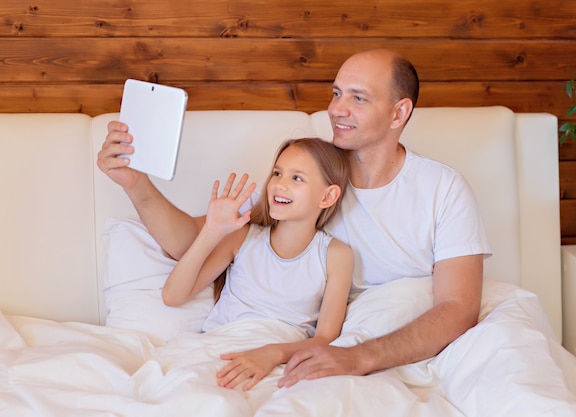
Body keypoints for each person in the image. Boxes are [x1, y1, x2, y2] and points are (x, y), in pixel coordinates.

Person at [97, 48, 490, 388]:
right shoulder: (300, 181)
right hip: (268, 344)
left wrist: (358, 356)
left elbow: (457, 308)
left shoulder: (444, 189)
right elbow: (191, 245)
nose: (336, 109)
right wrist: (135, 184)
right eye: (336, 93)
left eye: (358, 98)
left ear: (398, 112)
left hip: (375, 343)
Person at [160, 138, 353, 391]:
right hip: (220, 348)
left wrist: (270, 354)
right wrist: (211, 231)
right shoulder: (243, 237)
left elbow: (326, 338)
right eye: (277, 173)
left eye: (297, 178)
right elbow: (173, 296)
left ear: (328, 196)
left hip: (282, 358)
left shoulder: (336, 255)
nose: (279, 185)